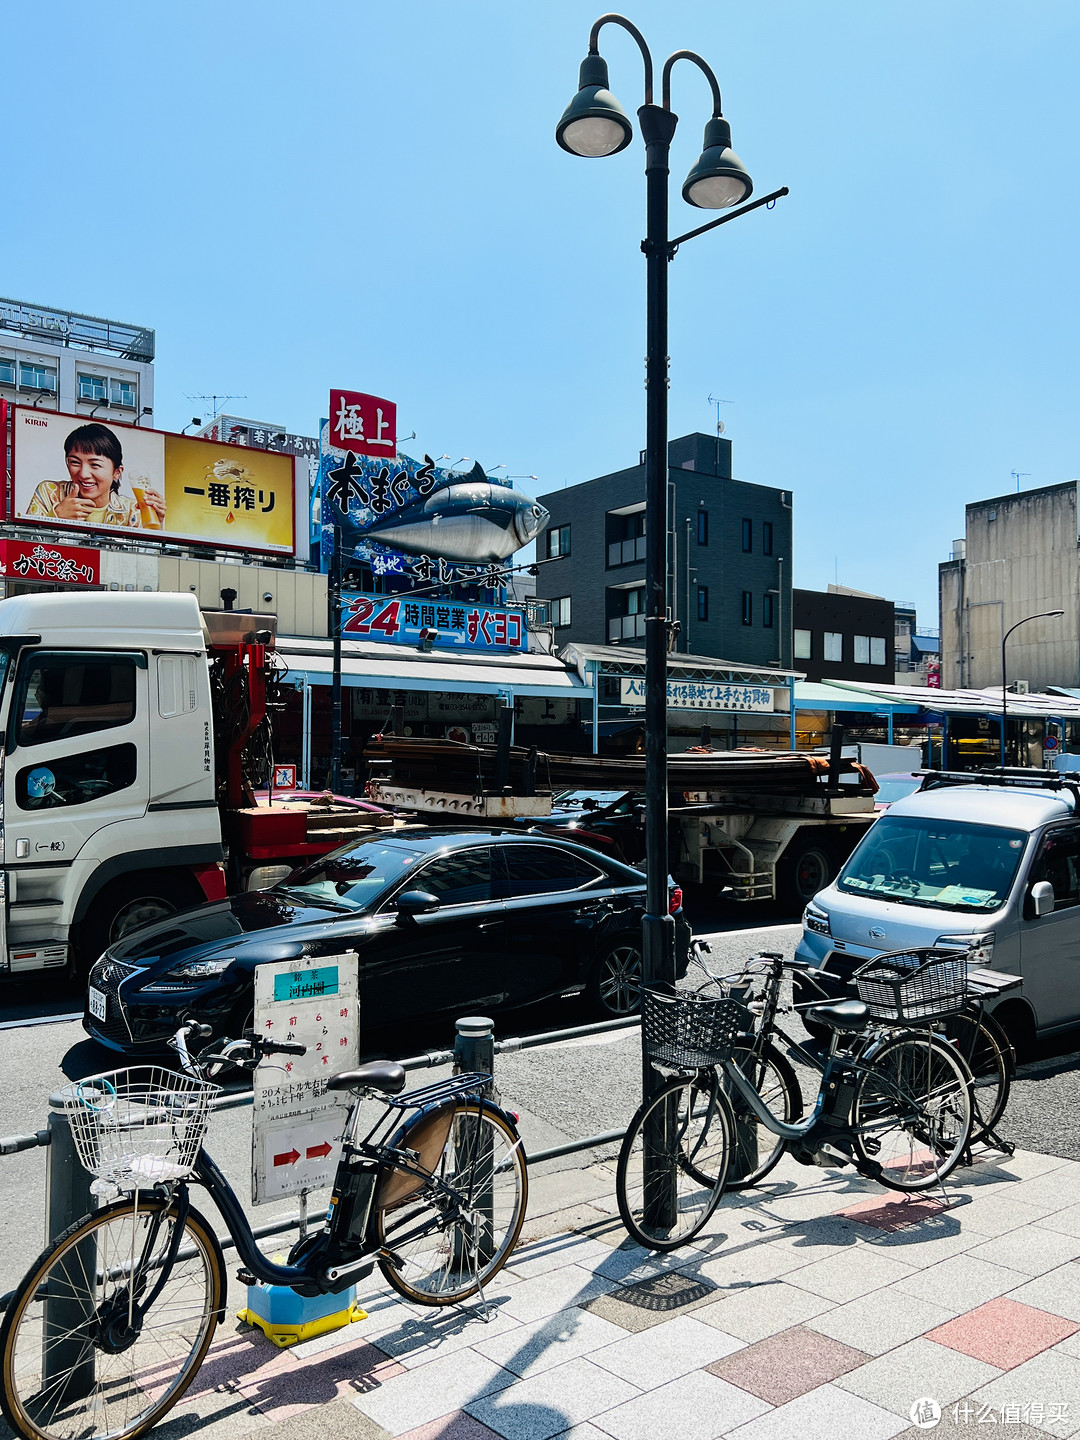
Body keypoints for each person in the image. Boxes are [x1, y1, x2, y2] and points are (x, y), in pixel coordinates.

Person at [26, 422, 166, 528]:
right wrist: (55, 517)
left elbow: (145, 562)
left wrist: (156, 527)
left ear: (117, 472)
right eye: (75, 462)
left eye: (95, 465)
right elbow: (22, 549)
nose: (83, 474)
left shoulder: (132, 510)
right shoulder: (49, 492)